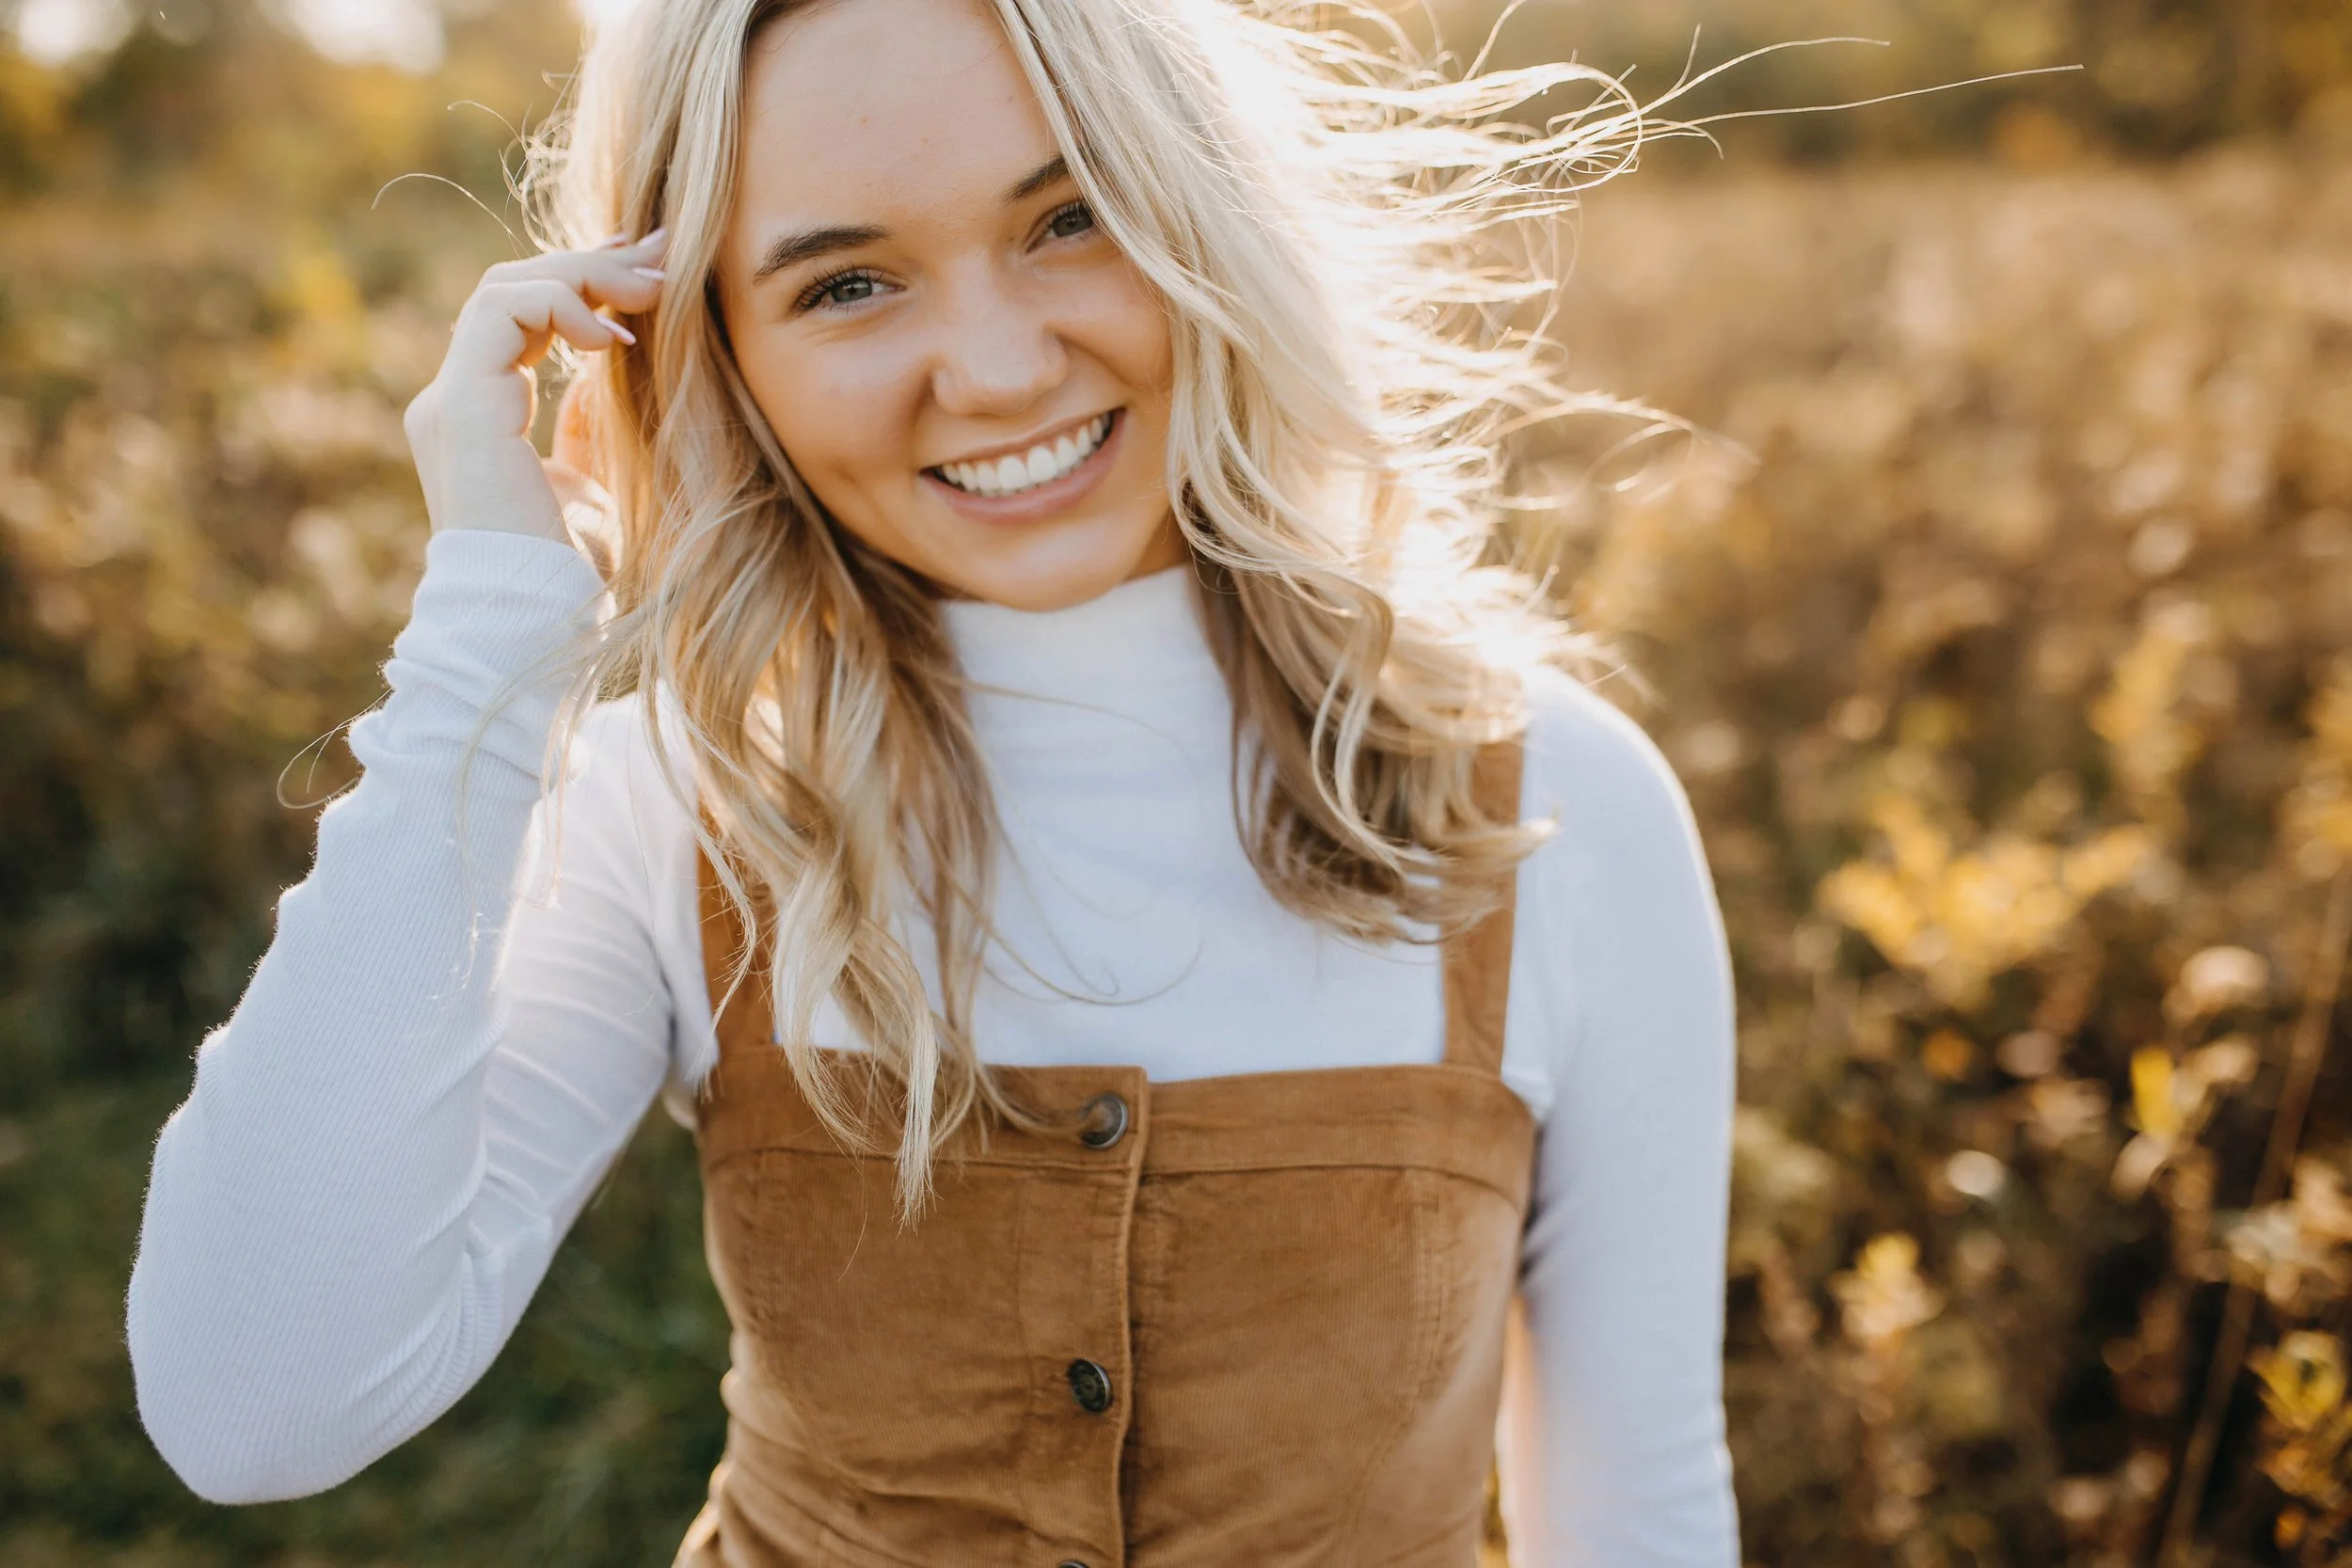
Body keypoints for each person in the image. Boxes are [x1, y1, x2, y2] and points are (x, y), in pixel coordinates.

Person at [127, 0, 1740, 1561]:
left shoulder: (1555, 808)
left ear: (1205, 212)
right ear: (719, 353)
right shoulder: (681, 791)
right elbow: (254, 1402)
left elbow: (1637, 1517)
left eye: (1070, 218)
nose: (995, 371)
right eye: (845, 287)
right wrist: (490, 634)